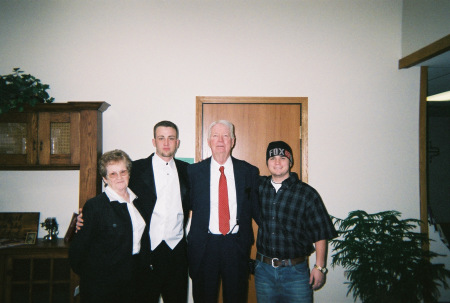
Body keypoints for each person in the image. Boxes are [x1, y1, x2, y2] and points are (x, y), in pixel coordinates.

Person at [76, 121, 190, 303]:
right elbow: (114, 191)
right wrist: (86, 216)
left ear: (178, 142)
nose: (166, 143)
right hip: (146, 254)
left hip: (177, 254)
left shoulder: (188, 170)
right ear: (154, 141)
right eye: (161, 138)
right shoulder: (135, 169)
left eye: (171, 138)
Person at [254, 141, 338, 303]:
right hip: (263, 271)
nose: (277, 162)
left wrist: (319, 267)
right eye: (272, 158)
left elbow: (320, 233)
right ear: (267, 162)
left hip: (296, 273)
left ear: (290, 162)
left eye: (282, 158)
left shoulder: (307, 193)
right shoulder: (259, 187)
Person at [187, 120, 260, 303]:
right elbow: (183, 206)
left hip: (235, 247)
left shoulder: (249, 171)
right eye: (215, 136)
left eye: (225, 135)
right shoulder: (193, 172)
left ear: (233, 141)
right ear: (209, 141)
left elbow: (258, 210)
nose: (220, 140)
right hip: (205, 247)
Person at [69, 149, 148, 303]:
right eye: (113, 174)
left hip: (134, 281)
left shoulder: (138, 201)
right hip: (104, 287)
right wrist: (93, 279)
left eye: (123, 171)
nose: (119, 177)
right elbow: (78, 251)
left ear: (129, 173)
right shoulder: (95, 206)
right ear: (105, 178)